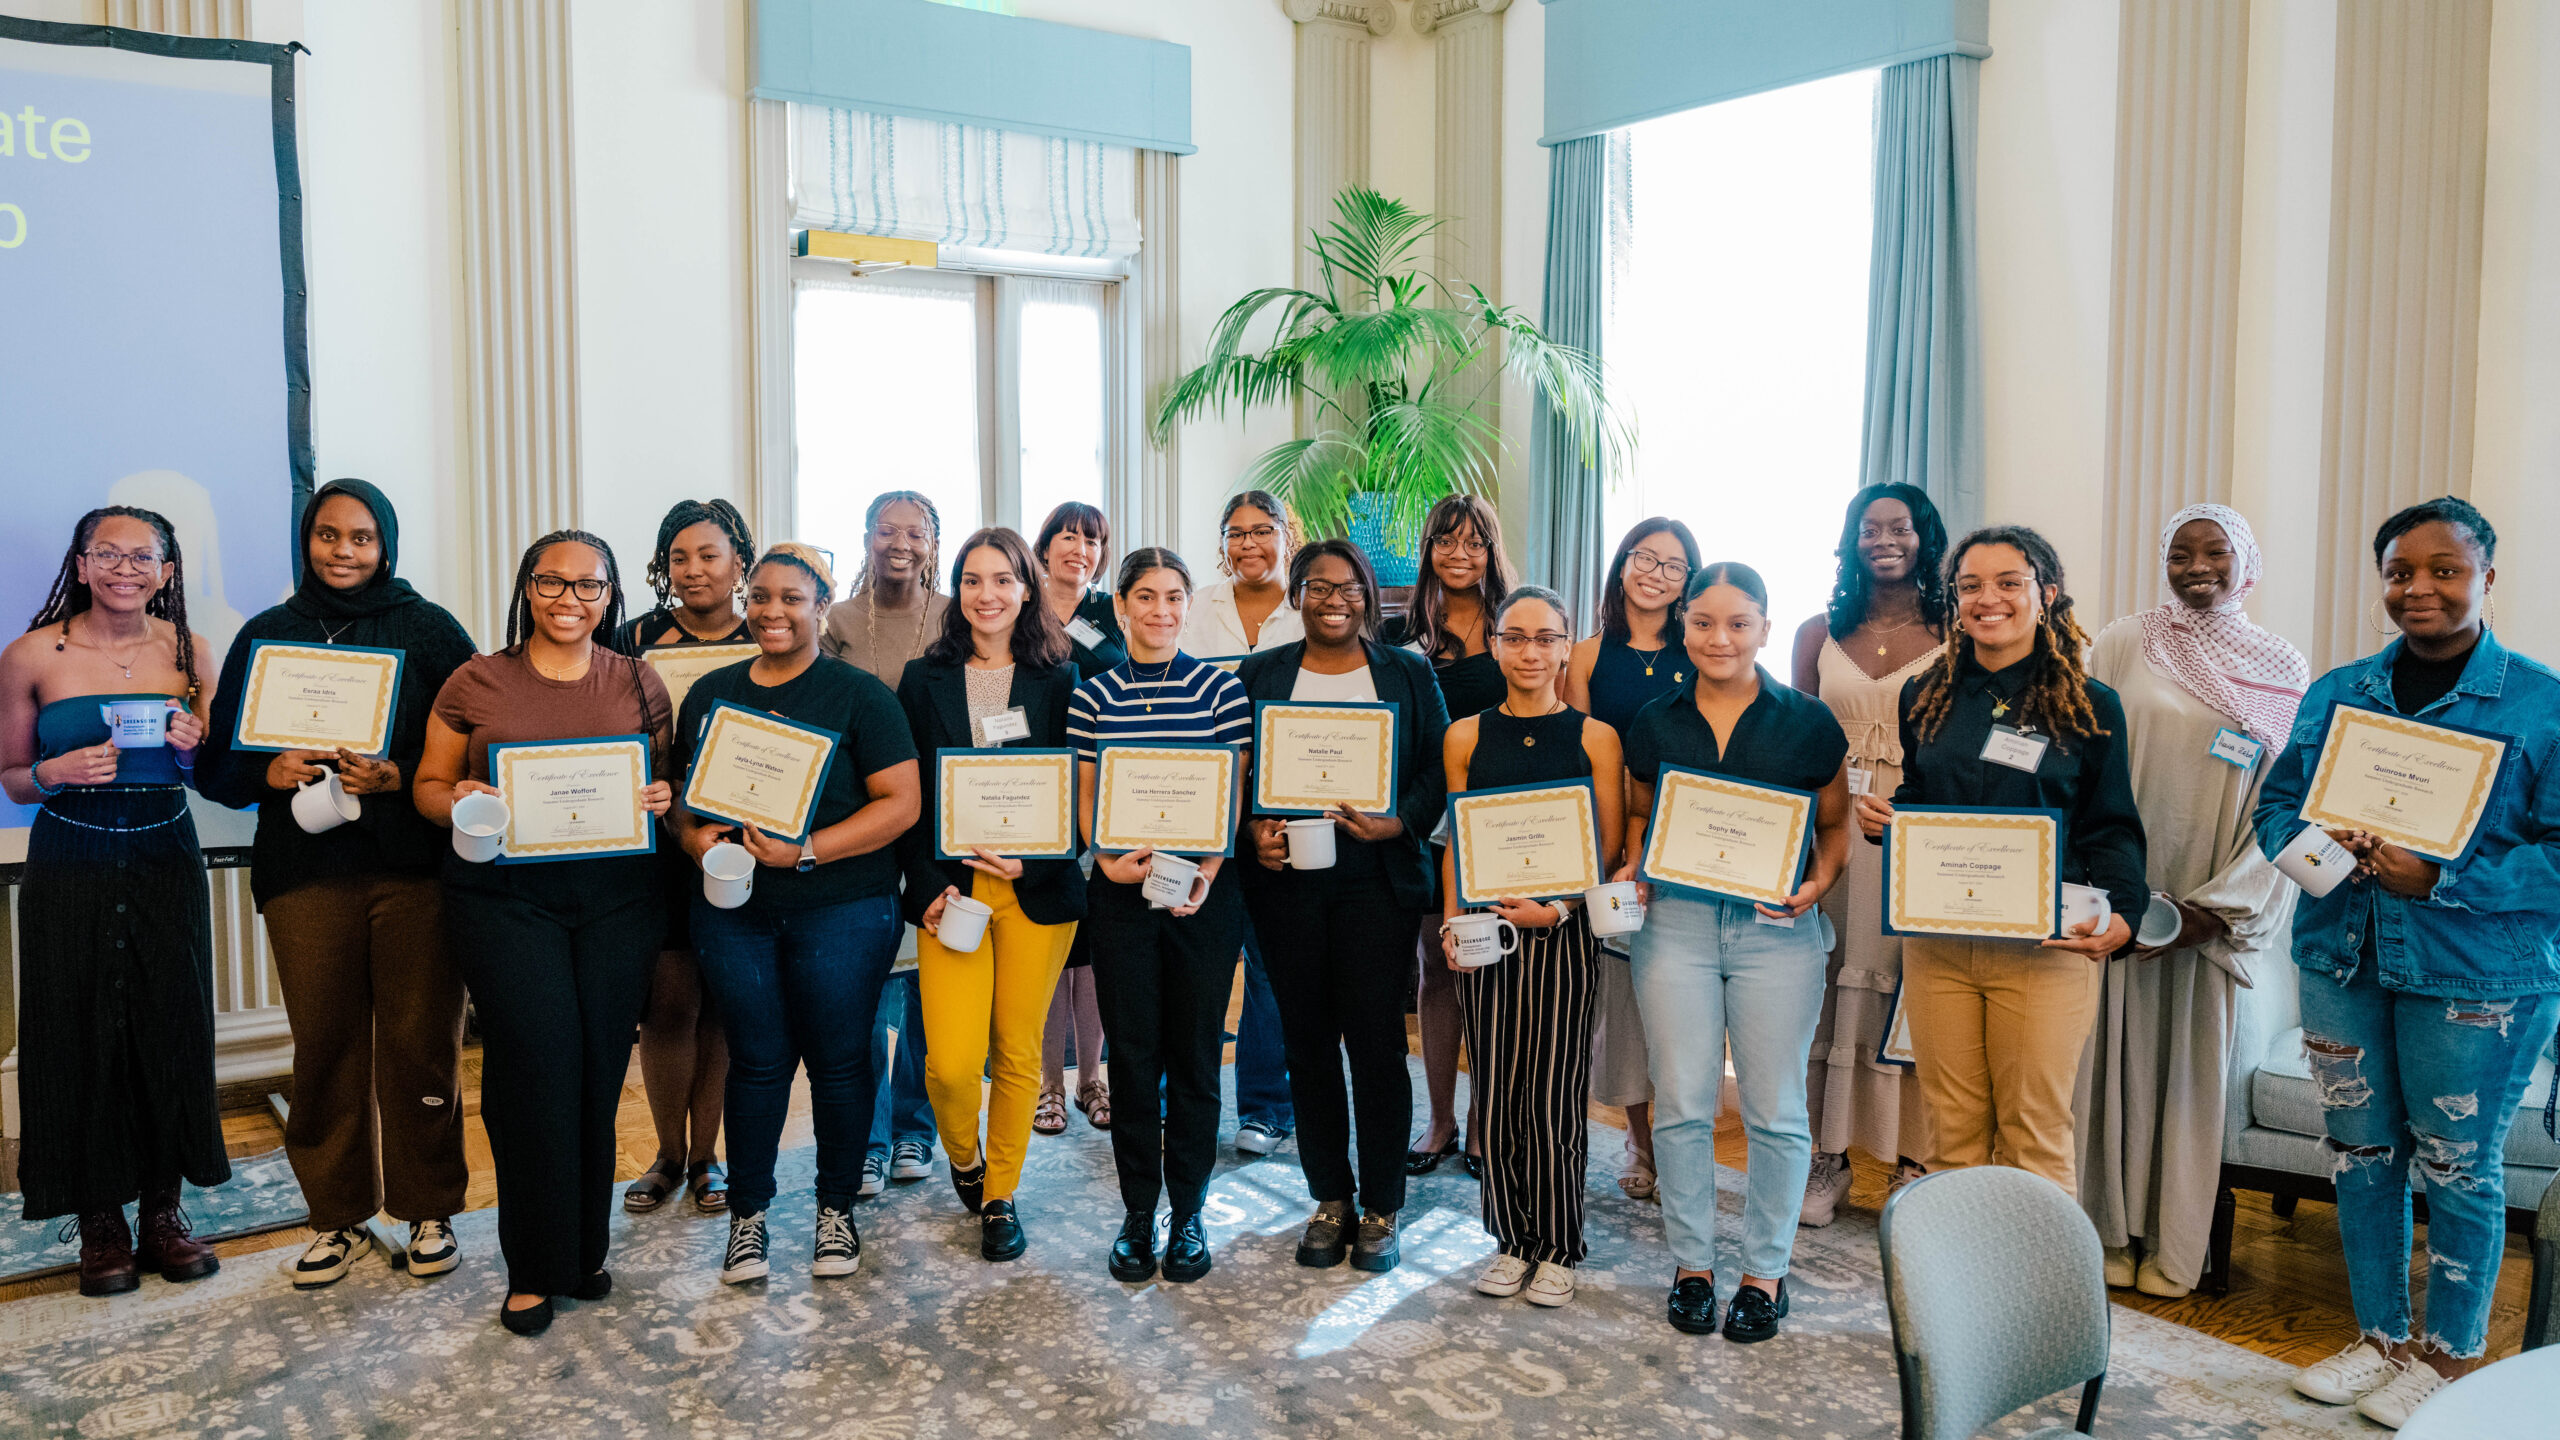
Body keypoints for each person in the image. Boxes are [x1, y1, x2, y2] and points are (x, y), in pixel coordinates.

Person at [2256, 498, 2560, 1430]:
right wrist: (2321, 850)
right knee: (2359, 1154)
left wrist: (2443, 877)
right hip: (2342, 960)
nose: (2418, 588)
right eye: (2399, 572)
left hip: (2478, 979)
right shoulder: (2340, 690)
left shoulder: (2542, 703)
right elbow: (2276, 806)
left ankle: (2453, 1356)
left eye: (2444, 570)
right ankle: (2382, 1338)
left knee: (2459, 1164)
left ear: (2487, 580)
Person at [194, 481, 478, 1287]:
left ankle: (431, 1210)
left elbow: (476, 743)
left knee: (422, 1048)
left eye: (360, 537)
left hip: (415, 873)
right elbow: (216, 767)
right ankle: (337, 1218)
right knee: (324, 1049)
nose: (343, 551)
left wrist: (399, 776)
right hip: (305, 874)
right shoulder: (268, 635)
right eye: (327, 535)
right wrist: (265, 768)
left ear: (386, 544)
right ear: (306, 540)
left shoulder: (428, 630)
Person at [415, 530, 675, 1336]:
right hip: (503, 902)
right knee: (534, 1071)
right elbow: (426, 786)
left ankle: (580, 1252)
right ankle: (530, 1266)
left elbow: (660, 781)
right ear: (527, 587)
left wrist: (661, 797)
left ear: (611, 596)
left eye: (589, 586)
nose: (571, 600)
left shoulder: (639, 681)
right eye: (553, 584)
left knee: (599, 1073)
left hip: (616, 902)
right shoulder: (476, 680)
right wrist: (459, 798)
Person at [1855, 526, 2144, 1200]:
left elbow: (2113, 825)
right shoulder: (1924, 694)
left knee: (2033, 1134)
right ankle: (1962, 1301)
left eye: (2009, 582)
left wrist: (2127, 912)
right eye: (1970, 585)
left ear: (2045, 594)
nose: (1989, 599)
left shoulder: (2090, 705)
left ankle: (2039, 1301)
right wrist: (1889, 821)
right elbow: (1925, 798)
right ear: (1954, 600)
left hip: (2045, 951)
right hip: (1941, 948)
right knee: (1949, 1133)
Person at [1614, 562, 1851, 1342]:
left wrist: (1818, 882)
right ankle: (1691, 1265)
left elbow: (1836, 823)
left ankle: (1764, 1274)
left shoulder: (1809, 720)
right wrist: (1632, 862)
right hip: (1674, 925)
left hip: (1775, 930)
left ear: (1765, 628)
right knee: (1681, 1099)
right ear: (1684, 628)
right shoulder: (1654, 720)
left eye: (1738, 623)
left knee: (1774, 1108)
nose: (1720, 638)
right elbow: (1643, 818)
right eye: (1704, 622)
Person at [673, 545, 922, 1287]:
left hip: (842, 908)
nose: (773, 611)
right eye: (761, 597)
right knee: (755, 1062)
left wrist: (806, 849)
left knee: (841, 1063)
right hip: (736, 910)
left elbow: (901, 806)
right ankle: (748, 1219)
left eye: (791, 598)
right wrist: (692, 837)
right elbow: (685, 804)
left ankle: (835, 1209)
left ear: (821, 607)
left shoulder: (861, 696)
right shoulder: (710, 693)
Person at [2080, 504, 2306, 1300]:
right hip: (2119, 895)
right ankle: (2104, 1234)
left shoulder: (2282, 665)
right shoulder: (2122, 640)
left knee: (2187, 1078)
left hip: (2206, 908)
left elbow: (2289, 800)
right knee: (2103, 1068)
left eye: (2216, 551)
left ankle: (2173, 1250)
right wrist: (2111, 894)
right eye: (2182, 552)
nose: (2197, 565)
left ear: (2246, 563)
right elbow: (2081, 765)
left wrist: (2211, 911)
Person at [0, 506, 227, 1298]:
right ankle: (100, 1223)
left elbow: (213, 773)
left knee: (169, 1021)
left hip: (167, 848)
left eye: (143, 557)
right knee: (75, 1024)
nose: (125, 568)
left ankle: (164, 1212)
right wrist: (57, 774)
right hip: (72, 850)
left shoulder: (193, 650)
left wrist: (196, 751)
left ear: (167, 570)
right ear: (83, 563)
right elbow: (14, 777)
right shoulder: (31, 653)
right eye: (108, 554)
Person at [1239, 539, 1450, 1274]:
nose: (1335, 599)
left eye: (1349, 586)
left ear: (1369, 594)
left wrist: (1401, 822)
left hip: (1377, 882)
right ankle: (1330, 1197)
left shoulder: (1408, 673)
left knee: (1377, 1046)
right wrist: (1251, 832)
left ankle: (1383, 1206)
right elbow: (1238, 776)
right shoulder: (1260, 673)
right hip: (1288, 882)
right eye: (1319, 586)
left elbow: (1437, 768)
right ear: (1296, 594)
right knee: (1307, 1045)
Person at [898, 527, 1085, 1261]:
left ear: (1027, 588)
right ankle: (965, 1157)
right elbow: (907, 791)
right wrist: (927, 887)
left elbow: (1085, 790)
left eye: (1003, 580)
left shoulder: (1066, 675)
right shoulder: (923, 678)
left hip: (1035, 889)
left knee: (1014, 1050)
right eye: (973, 580)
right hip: (953, 892)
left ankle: (1001, 1193)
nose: (987, 595)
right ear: (957, 590)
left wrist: (1039, 859)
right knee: (948, 1062)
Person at [1068, 548, 1254, 1284]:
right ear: (1121, 607)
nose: (1161, 610)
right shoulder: (1093, 695)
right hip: (1121, 893)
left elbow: (1233, 793)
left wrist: (1206, 872)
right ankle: (1139, 1213)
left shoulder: (1221, 691)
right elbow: (1087, 796)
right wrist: (1106, 859)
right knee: (1134, 1059)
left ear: (1187, 605)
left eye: (1174, 596)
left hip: (1205, 895)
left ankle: (1191, 1211)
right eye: (1144, 597)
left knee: (1198, 1058)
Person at [1440, 585, 1625, 1308]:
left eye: (1546, 638)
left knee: (1551, 1095)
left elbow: (1605, 845)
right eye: (1515, 637)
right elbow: (1455, 836)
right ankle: (1511, 1239)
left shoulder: (1593, 737)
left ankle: (1559, 1244)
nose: (1530, 652)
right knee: (1498, 1088)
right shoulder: (1464, 735)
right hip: (1488, 934)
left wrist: (1556, 907)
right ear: (1495, 645)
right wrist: (1454, 918)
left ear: (1565, 644)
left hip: (1563, 932)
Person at [1786, 483, 1947, 1224]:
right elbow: (1791, 738)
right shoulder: (1819, 632)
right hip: (1835, 825)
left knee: (1912, 986)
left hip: (1918, 827)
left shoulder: (1956, 628)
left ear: (1925, 537)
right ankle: (1829, 1156)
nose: (1884, 538)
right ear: (1851, 541)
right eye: (1868, 528)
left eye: (1900, 527)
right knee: (1827, 980)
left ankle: (1913, 1156)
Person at [605, 497, 755, 1218]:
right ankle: (667, 1154)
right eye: (679, 558)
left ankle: (708, 1158)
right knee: (668, 1006)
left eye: (709, 555)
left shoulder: (770, 631)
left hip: (744, 843)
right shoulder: (633, 638)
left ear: (739, 562)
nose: (694, 570)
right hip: (661, 845)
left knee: (722, 1005)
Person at [1562, 518, 1701, 1203]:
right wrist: (1609, 849)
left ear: (1688, 584)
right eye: (1645, 558)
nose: (1656, 573)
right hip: (1610, 844)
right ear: (1621, 566)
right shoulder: (1586, 656)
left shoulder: (1701, 650)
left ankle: (1681, 1135)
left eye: (1673, 566)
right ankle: (1641, 1140)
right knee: (1623, 1000)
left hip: (1690, 844)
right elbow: (1577, 759)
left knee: (1677, 999)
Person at [822, 492, 947, 1195]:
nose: (900, 542)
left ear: (934, 541)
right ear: (867, 537)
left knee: (932, 983)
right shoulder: (837, 619)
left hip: (937, 823)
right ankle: (867, 1138)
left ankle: (915, 1129)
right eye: (886, 529)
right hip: (864, 820)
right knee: (865, 987)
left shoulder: (959, 613)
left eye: (916, 531)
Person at [1392, 494, 1514, 1180]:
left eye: (1474, 543)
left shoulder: (1514, 624)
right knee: (1437, 968)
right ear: (1429, 549)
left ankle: (1482, 1121)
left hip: (1497, 821)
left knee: (1490, 970)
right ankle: (1438, 1118)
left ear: (1492, 551)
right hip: (1426, 820)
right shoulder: (1402, 630)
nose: (1460, 555)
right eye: (1446, 541)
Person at [1182, 490, 1303, 1158]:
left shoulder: (1310, 606)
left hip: (1278, 812)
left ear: (1288, 535)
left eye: (1264, 531)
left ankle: (1263, 1107)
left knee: (1266, 967)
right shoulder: (1196, 607)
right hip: (1199, 807)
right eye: (1236, 533)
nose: (1249, 544)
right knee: (1196, 961)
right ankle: (1183, 1099)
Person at [1035, 501, 1124, 1134]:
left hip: (1098, 791)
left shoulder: (1107, 612)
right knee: (1047, 946)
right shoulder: (1017, 603)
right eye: (1068, 536)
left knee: (1090, 952)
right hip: (1031, 796)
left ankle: (1091, 1079)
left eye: (1091, 540)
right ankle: (1047, 1086)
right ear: (1044, 547)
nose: (1079, 548)